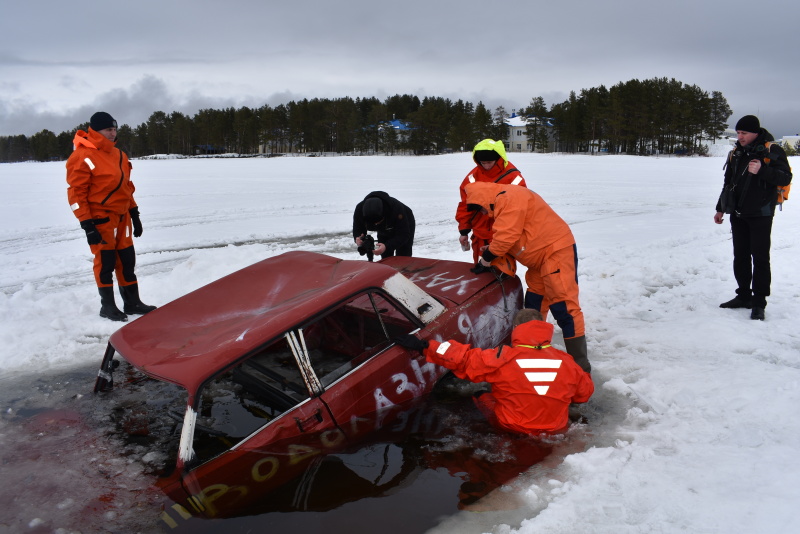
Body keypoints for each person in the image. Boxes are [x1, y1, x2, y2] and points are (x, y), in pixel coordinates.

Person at [394, 308, 594, 435]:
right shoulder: (567, 363)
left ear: (516, 328)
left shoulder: (501, 357)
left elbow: (461, 358)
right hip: (555, 429)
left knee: (480, 394)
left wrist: (423, 346)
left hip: (512, 426)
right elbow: (584, 394)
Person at [464, 181, 590, 374]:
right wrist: (492, 250)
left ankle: (580, 369)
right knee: (534, 305)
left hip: (555, 251)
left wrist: (486, 259)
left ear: (483, 199)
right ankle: (532, 354)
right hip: (539, 260)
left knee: (563, 307)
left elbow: (507, 236)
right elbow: (512, 236)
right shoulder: (503, 201)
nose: (482, 213)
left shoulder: (508, 198)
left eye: (479, 208)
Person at [66, 111, 157, 322]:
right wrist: (87, 223)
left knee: (126, 261)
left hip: (122, 216)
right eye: (108, 129)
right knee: (105, 262)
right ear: (96, 131)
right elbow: (76, 194)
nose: (113, 133)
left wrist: (134, 213)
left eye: (115, 129)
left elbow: (126, 188)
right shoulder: (82, 156)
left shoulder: (119, 155)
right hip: (100, 218)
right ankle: (107, 306)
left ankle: (132, 302)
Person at [714, 115, 793, 321]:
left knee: (760, 258)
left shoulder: (771, 150)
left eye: (744, 133)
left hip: (761, 213)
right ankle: (743, 296)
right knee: (740, 256)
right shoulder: (736, 152)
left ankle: (759, 303)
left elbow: (785, 177)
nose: (739, 137)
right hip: (738, 213)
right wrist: (720, 208)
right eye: (738, 133)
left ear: (755, 133)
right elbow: (728, 182)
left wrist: (762, 170)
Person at [456, 139, 526, 263]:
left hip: (502, 236)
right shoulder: (473, 177)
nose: (486, 166)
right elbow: (465, 205)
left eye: (489, 162)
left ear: (498, 159)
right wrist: (464, 230)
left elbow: (519, 210)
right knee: (481, 273)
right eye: (483, 163)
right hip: (479, 235)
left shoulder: (514, 178)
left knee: (503, 273)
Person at [352, 191, 415, 260]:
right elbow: (358, 228)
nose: (376, 225)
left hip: (405, 222)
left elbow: (403, 235)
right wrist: (358, 237)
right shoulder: (359, 211)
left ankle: (402, 269)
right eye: (374, 224)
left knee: (403, 254)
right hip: (384, 228)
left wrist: (387, 246)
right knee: (385, 255)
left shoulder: (396, 210)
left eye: (378, 223)